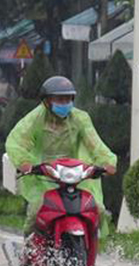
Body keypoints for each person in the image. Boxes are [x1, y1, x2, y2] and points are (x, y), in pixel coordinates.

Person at [6, 76, 117, 236]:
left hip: (74, 173)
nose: (64, 103)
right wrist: (25, 163)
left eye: (68, 99)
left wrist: (107, 162)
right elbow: (16, 142)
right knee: (37, 209)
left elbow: (96, 144)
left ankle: (91, 246)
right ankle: (29, 248)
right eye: (59, 99)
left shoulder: (80, 118)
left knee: (97, 208)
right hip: (43, 175)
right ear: (46, 101)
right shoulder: (34, 120)